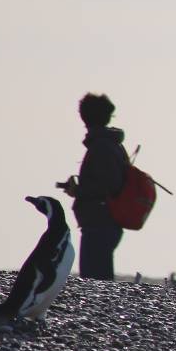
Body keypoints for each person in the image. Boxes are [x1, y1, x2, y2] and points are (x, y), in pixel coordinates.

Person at [58, 93, 130, 280]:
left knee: (95, 280)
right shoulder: (109, 144)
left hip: (100, 222)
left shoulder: (102, 146)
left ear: (84, 116)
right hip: (104, 222)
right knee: (99, 280)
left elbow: (108, 185)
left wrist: (78, 190)